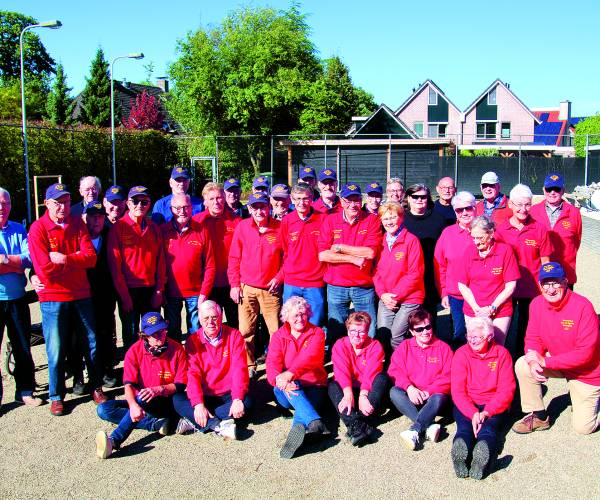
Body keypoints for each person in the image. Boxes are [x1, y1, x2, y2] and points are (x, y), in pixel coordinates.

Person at [28, 183, 108, 416]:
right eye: (57, 202)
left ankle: (96, 387)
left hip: (81, 293)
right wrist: (75, 260)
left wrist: (63, 259)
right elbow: (44, 269)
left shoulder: (78, 225)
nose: (62, 207)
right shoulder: (38, 229)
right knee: (56, 347)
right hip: (52, 297)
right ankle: (56, 395)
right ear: (47, 203)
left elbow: (91, 258)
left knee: (91, 343)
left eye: (65, 202)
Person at [512, 262, 599, 435]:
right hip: (559, 363)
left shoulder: (583, 307)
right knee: (523, 364)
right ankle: (539, 416)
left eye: (555, 283)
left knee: (583, 428)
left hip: (587, 372)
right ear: (540, 285)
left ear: (565, 282)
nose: (550, 289)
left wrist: (545, 361)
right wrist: (532, 359)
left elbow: (586, 354)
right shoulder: (536, 304)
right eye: (545, 283)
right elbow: (532, 338)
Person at [95, 312, 187, 458]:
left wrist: (159, 389)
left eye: (161, 331)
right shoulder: (134, 351)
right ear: (144, 335)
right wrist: (132, 405)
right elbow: (129, 384)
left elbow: (181, 384)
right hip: (142, 401)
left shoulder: (177, 349)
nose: (159, 335)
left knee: (143, 397)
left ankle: (113, 441)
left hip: (167, 401)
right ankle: (155, 424)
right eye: (154, 333)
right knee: (103, 409)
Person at [173, 301, 250, 439]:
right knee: (177, 399)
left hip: (228, 393)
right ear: (200, 320)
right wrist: (198, 404)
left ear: (221, 317)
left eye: (214, 317)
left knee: (247, 402)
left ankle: (195, 421)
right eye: (206, 318)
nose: (210, 322)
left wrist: (237, 398)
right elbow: (193, 374)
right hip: (206, 395)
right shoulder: (193, 340)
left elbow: (240, 369)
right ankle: (217, 425)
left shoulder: (234, 335)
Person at [450, 316, 515, 480]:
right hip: (467, 403)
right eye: (469, 336)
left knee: (488, 429)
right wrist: (473, 413)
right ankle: (460, 453)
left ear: (489, 337)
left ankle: (482, 459)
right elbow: (458, 391)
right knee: (464, 427)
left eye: (477, 337)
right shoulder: (461, 354)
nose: (472, 340)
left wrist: (486, 412)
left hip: (492, 404)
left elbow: (506, 390)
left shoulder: (502, 354)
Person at [266, 296, 330, 459]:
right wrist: (282, 381)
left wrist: (290, 373)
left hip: (315, 385)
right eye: (295, 315)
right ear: (286, 317)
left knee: (304, 404)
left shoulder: (317, 333)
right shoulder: (279, 336)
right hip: (287, 390)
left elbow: (311, 358)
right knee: (292, 387)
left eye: (303, 314)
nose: (300, 319)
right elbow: (272, 365)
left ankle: (304, 427)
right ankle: (316, 422)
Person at [228, 192, 283, 376]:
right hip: (247, 288)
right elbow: (234, 258)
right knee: (246, 330)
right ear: (249, 209)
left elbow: (287, 258)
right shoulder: (243, 227)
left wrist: (279, 277)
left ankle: (275, 365)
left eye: (263, 206)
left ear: (269, 207)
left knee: (275, 331)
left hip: (271, 289)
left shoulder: (279, 228)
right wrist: (234, 285)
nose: (259, 211)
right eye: (255, 207)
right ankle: (249, 365)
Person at [318, 183, 382, 342]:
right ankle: (339, 362)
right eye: (348, 200)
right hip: (336, 286)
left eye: (356, 200)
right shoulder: (330, 220)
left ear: (362, 200)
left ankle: (368, 362)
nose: (352, 205)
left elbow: (370, 252)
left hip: (363, 286)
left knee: (368, 329)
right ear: (341, 200)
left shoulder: (372, 220)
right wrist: (353, 258)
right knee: (337, 330)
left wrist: (339, 247)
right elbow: (323, 255)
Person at [495, 184, 552, 358]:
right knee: (504, 326)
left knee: (526, 328)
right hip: (507, 289)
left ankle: (522, 360)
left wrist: (545, 287)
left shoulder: (540, 229)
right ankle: (502, 360)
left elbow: (545, 262)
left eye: (527, 204)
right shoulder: (501, 230)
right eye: (518, 204)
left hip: (531, 288)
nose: (523, 209)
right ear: (510, 204)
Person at [108, 186, 166, 351]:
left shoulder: (153, 228)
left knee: (154, 334)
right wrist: (124, 296)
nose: (139, 205)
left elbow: (161, 263)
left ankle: (152, 371)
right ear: (128, 203)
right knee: (131, 335)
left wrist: (159, 291)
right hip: (129, 291)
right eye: (135, 201)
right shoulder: (118, 228)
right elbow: (115, 266)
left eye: (144, 202)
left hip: (150, 290)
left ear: (149, 204)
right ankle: (133, 373)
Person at [0, 188, 41, 410]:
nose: (1, 207)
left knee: (23, 347)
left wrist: (4, 259)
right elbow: (21, 260)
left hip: (17, 298)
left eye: (5, 203)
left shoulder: (18, 229)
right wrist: (14, 263)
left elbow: (28, 258)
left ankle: (24, 391)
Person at [388, 308, 452, 450]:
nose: (424, 332)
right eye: (419, 329)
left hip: (433, 398)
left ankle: (415, 429)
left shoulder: (443, 348)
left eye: (428, 327)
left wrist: (429, 391)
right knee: (394, 392)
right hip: (411, 397)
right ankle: (428, 425)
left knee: (439, 397)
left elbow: (449, 376)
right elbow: (394, 370)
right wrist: (410, 388)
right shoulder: (405, 346)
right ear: (411, 332)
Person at [456, 216, 520, 346]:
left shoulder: (505, 251)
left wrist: (492, 307)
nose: (476, 242)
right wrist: (477, 309)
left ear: (491, 233)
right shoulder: (469, 252)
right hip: (474, 309)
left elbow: (511, 285)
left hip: (500, 309)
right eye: (473, 237)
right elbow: (462, 285)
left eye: (480, 237)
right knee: (476, 345)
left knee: (496, 345)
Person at [161, 193, 215, 342]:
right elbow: (158, 263)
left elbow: (210, 266)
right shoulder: (163, 231)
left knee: (196, 333)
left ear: (192, 208)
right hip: (171, 292)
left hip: (196, 293)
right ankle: (176, 362)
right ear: (171, 209)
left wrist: (204, 293)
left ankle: (195, 362)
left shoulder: (202, 231)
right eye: (178, 208)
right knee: (172, 332)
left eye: (186, 207)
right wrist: (161, 290)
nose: (182, 211)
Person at [328, 312, 387, 446]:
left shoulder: (375, 346)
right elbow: (341, 372)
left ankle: (359, 421)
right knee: (332, 386)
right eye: (353, 330)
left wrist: (363, 394)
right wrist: (348, 394)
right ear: (347, 330)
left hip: (368, 390)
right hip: (349, 388)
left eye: (361, 331)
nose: (356, 335)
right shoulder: (340, 345)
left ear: (367, 331)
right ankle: (358, 424)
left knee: (382, 378)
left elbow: (371, 373)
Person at [373, 202, 424, 350]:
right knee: (383, 334)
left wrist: (395, 297)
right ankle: (387, 369)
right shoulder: (379, 241)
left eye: (393, 217)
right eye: (385, 219)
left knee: (396, 336)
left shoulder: (411, 240)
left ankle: (401, 369)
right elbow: (375, 272)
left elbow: (415, 274)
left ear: (401, 218)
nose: (389, 222)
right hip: (386, 297)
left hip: (409, 297)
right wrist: (383, 295)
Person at [434, 191, 477, 348]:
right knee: (459, 333)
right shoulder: (448, 234)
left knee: (481, 333)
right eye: (459, 210)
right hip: (457, 295)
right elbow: (440, 265)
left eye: (468, 208)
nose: (464, 213)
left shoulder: (486, 231)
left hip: (482, 294)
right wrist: (444, 292)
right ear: (455, 212)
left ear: (475, 208)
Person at [83, 201, 119, 387]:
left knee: (105, 332)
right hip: (83, 293)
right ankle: (82, 375)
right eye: (92, 216)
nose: (96, 220)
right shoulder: (78, 234)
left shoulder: (109, 233)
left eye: (100, 217)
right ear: (85, 217)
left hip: (105, 292)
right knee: (84, 334)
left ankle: (106, 370)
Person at [280, 184, 327, 327]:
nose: (302, 203)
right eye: (298, 199)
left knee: (314, 323)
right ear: (292, 200)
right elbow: (284, 250)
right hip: (292, 281)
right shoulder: (287, 221)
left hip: (315, 281)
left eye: (306, 198)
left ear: (312, 198)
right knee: (290, 323)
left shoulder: (323, 219)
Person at [196, 182, 241, 327]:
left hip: (231, 283)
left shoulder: (236, 222)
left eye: (219, 198)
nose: (217, 202)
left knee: (235, 323)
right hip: (208, 284)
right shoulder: (197, 222)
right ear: (205, 201)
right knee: (211, 324)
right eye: (212, 198)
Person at [403, 184, 446, 322]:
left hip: (430, 274)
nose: (419, 200)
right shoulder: (401, 219)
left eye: (423, 197)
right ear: (408, 198)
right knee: (408, 317)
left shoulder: (438, 219)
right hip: (407, 274)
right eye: (415, 197)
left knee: (429, 317)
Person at [530, 173, 582, 289]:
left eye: (556, 189)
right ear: (544, 190)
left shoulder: (574, 213)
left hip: (565, 273)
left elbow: (576, 242)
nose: (552, 192)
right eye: (549, 189)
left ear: (563, 190)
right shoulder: (533, 212)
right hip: (540, 274)